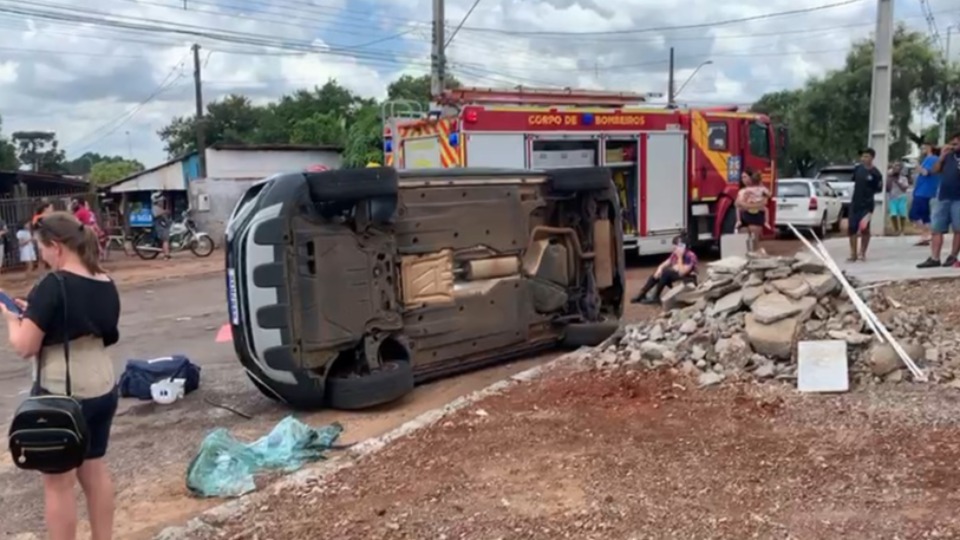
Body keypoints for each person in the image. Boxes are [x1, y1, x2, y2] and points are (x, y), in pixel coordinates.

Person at [0, 212, 121, 540]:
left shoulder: (53, 285)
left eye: (42, 248)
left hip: (63, 395)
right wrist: (36, 311)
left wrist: (13, 320)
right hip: (102, 387)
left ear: (56, 246)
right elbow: (100, 328)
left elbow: (25, 346)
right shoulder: (104, 281)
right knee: (94, 469)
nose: (41, 256)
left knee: (58, 484)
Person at [917, 133, 960, 268]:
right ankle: (935, 257)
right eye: (952, 143)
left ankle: (953, 256)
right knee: (937, 228)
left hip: (958, 198)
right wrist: (941, 157)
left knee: (958, 229)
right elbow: (935, 170)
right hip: (943, 196)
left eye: (956, 143)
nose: (954, 146)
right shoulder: (948, 156)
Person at [630, 235, 698, 304]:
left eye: (677, 245)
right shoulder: (675, 254)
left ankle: (655, 296)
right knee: (658, 273)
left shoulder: (690, 256)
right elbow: (665, 263)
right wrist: (659, 269)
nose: (674, 247)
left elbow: (681, 272)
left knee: (666, 272)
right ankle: (642, 294)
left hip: (688, 279)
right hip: (677, 275)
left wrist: (679, 258)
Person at [847, 148, 883, 262]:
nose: (864, 159)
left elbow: (879, 189)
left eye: (867, 156)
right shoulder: (858, 169)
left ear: (872, 158)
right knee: (852, 228)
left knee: (864, 229)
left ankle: (862, 252)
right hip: (855, 204)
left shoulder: (876, 173)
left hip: (867, 206)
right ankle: (853, 254)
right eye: (863, 156)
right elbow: (854, 181)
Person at [911, 143, 941, 246]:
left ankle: (926, 233)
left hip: (924, 191)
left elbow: (926, 173)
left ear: (929, 148)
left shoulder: (932, 159)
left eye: (923, 148)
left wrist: (917, 165)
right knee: (925, 215)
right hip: (922, 190)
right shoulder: (927, 159)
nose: (922, 150)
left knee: (914, 214)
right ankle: (925, 235)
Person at [735, 170, 770, 252]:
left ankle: (754, 256)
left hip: (754, 216)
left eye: (745, 177)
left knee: (754, 241)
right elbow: (737, 204)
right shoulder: (743, 191)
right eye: (742, 177)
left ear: (751, 178)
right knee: (745, 240)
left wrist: (745, 205)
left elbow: (764, 203)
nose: (743, 179)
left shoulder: (758, 190)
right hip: (745, 216)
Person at [886, 162, 910, 235]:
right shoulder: (890, 178)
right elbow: (887, 189)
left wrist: (897, 182)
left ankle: (902, 229)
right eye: (894, 168)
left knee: (902, 214)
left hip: (901, 197)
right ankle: (896, 229)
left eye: (898, 168)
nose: (896, 170)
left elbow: (904, 188)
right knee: (893, 214)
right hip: (892, 198)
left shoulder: (903, 178)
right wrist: (889, 179)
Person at [150, 192, 171, 260]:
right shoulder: (155, 208)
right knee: (165, 240)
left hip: (164, 225)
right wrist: (165, 212)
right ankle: (166, 255)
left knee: (166, 239)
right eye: (160, 201)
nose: (162, 202)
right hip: (160, 226)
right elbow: (156, 214)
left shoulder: (159, 207)